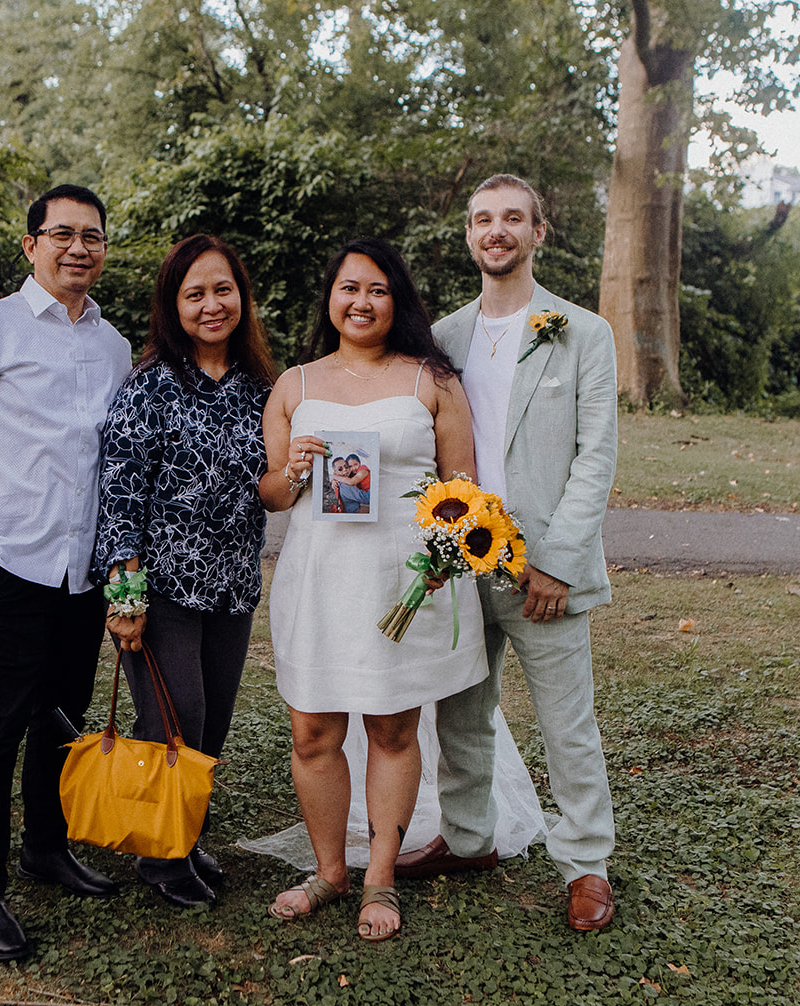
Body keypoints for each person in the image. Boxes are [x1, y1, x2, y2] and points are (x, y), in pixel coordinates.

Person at [394, 174, 620, 933]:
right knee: (460, 713)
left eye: (513, 218)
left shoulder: (582, 331)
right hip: (462, 562)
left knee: (567, 724)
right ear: (469, 234)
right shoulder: (445, 338)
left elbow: (595, 457)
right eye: (484, 219)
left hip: (543, 572)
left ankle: (586, 864)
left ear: (538, 231)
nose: (498, 230)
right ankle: (467, 838)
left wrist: (557, 561)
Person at [0, 184, 132, 962]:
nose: (79, 248)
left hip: (82, 575)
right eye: (63, 234)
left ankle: (47, 846)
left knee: (63, 719)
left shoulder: (113, 347)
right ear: (31, 244)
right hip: (7, 568)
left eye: (93, 236)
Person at [259, 237, 484, 942]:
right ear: (330, 298)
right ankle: (330, 871)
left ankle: (380, 874)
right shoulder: (294, 385)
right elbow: (272, 494)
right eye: (350, 288)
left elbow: (465, 487)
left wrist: (449, 554)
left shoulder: (431, 382)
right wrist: (295, 469)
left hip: (400, 582)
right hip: (319, 580)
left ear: (398, 301)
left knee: (392, 728)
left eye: (378, 290)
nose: (362, 302)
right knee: (312, 732)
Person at [92, 234, 276, 909]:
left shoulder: (262, 389)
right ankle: (161, 858)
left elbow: (274, 480)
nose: (211, 304)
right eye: (194, 293)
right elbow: (120, 496)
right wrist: (125, 598)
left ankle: (183, 835)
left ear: (241, 297)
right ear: (174, 305)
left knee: (212, 725)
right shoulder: (150, 386)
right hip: (162, 589)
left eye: (222, 289)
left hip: (232, 587)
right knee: (176, 721)